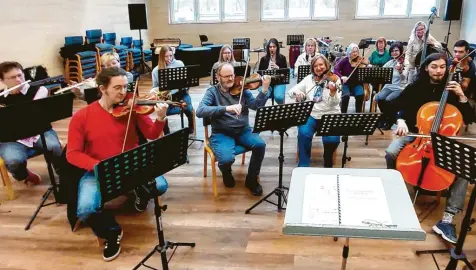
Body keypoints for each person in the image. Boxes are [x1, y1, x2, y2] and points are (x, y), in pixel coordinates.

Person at [66, 67, 169, 261]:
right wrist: (98, 166)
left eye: (125, 87)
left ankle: (139, 193)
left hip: (132, 163)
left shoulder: (132, 108)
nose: (124, 92)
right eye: (117, 88)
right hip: (99, 168)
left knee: (161, 185)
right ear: (102, 89)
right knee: (86, 209)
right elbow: (72, 154)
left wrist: (161, 118)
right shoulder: (82, 117)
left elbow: (151, 134)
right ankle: (111, 232)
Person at [385, 53, 474, 244]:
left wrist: (461, 96)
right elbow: (395, 106)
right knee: (391, 152)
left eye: (442, 67)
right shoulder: (416, 87)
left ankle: (448, 218)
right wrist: (401, 120)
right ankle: (397, 190)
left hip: (443, 138)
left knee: (464, 170)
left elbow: (469, 117)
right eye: (434, 66)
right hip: (417, 134)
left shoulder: (453, 89)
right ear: (426, 68)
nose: (439, 71)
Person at [196, 62, 271, 196]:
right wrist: (226, 108)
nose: (231, 79)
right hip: (222, 133)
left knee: (260, 145)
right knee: (225, 160)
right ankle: (226, 171)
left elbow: (256, 106)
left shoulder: (243, 89)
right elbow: (200, 111)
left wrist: (264, 90)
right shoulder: (212, 92)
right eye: (226, 77)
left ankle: (251, 179)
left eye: (232, 75)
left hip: (243, 130)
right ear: (218, 77)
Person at [0, 61, 63, 185]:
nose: (18, 80)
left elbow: (29, 114)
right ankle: (24, 175)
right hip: (12, 138)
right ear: (2, 80)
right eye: (13, 77)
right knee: (13, 162)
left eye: (20, 75)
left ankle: (63, 173)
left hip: (39, 132)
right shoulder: (1, 98)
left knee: (54, 147)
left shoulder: (39, 90)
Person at [288, 55, 341, 167]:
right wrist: (297, 93)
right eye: (315, 66)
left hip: (330, 115)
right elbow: (291, 92)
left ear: (326, 65)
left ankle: (328, 158)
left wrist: (332, 92)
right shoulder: (308, 79)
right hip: (311, 115)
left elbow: (334, 103)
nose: (318, 68)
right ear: (312, 68)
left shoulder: (335, 79)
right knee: (303, 134)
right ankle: (304, 163)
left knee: (332, 140)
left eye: (321, 65)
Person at [151, 45, 194, 134]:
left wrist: (185, 85)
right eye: (166, 56)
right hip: (167, 97)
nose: (169, 58)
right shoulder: (156, 70)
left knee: (188, 108)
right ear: (161, 57)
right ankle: (167, 133)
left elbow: (186, 82)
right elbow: (155, 87)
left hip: (181, 93)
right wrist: (162, 92)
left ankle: (191, 125)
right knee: (163, 111)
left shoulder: (179, 64)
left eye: (171, 55)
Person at [375, 42, 407, 129]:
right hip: (389, 86)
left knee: (388, 100)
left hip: (400, 87)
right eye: (392, 51)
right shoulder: (391, 62)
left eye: (396, 51)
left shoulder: (406, 62)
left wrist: (401, 71)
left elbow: (405, 78)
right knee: (379, 97)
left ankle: (390, 120)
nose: (394, 53)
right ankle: (385, 117)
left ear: (401, 51)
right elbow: (381, 71)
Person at [333, 43, 368, 113]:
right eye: (353, 52)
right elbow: (335, 70)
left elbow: (366, 68)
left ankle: (358, 114)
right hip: (346, 84)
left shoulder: (360, 60)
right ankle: (343, 114)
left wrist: (367, 66)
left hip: (357, 84)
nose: (355, 54)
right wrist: (341, 76)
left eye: (357, 52)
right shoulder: (345, 60)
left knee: (360, 95)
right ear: (349, 52)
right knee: (346, 96)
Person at [258, 38, 288, 104]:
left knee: (279, 97)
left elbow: (285, 73)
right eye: (270, 47)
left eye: (274, 47)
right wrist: (267, 70)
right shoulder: (263, 59)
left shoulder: (282, 58)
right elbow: (260, 74)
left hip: (279, 82)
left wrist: (278, 68)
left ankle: (282, 110)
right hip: (267, 83)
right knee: (263, 95)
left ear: (277, 47)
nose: (272, 49)